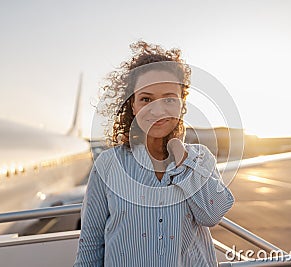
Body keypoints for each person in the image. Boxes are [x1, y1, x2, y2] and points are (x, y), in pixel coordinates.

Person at [73, 41, 234, 267]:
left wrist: (182, 156)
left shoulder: (200, 158)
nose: (157, 111)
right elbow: (90, 244)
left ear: (182, 103)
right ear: (133, 106)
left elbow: (212, 213)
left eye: (168, 98)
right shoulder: (108, 165)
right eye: (146, 99)